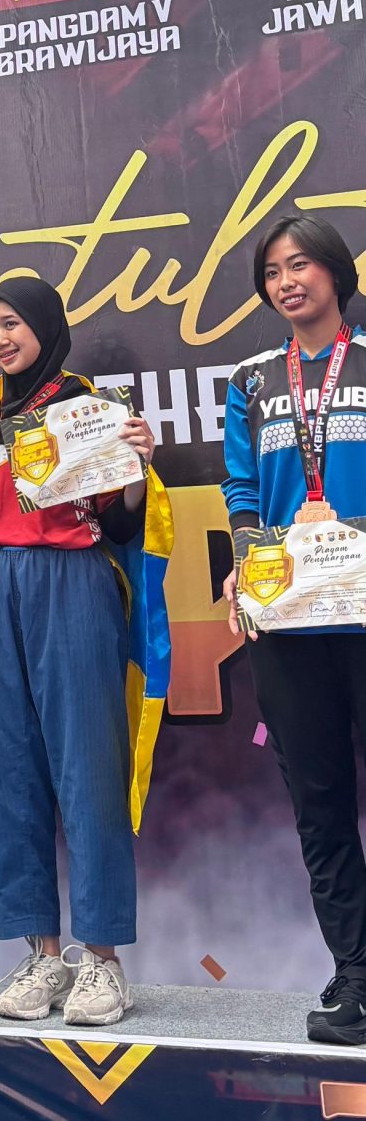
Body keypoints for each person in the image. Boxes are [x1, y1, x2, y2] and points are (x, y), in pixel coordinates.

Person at [0, 280, 159, 1028]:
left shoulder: (89, 409)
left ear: (46, 327)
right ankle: (43, 954)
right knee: (7, 771)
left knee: (87, 767)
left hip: (72, 581)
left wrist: (137, 467)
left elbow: (123, 523)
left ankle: (102, 961)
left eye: (13, 323)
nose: (0, 339)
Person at [222, 216, 366, 1045]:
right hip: (287, 622)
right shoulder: (250, 380)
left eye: (300, 264)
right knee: (320, 807)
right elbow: (243, 492)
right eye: (273, 271)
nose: (287, 281)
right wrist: (246, 564)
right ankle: (357, 976)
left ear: (335, 271)